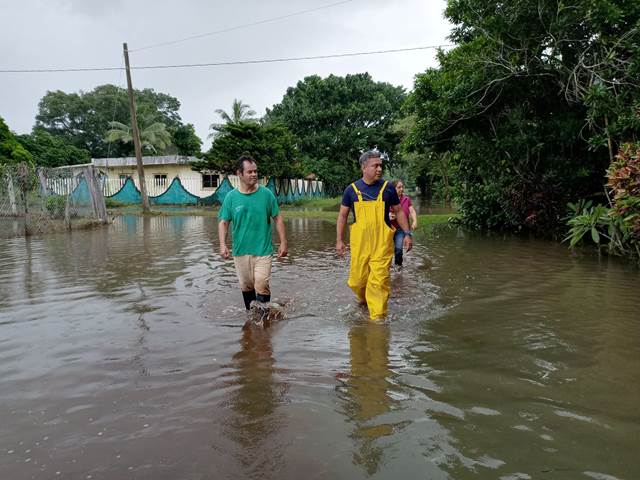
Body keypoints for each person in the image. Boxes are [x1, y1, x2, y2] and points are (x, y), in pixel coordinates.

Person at [336, 151, 413, 319]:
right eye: (375, 165)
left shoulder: (388, 188)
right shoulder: (351, 190)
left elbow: (399, 211)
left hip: (382, 245)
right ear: (364, 167)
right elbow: (342, 216)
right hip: (360, 246)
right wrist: (339, 241)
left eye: (380, 165)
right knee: (357, 281)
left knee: (378, 282)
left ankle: (377, 320)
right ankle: (364, 300)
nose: (379, 169)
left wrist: (407, 233)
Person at [218, 155, 288, 310]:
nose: (254, 175)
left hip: (263, 250)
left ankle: (262, 321)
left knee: (261, 284)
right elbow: (223, 222)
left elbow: (278, 219)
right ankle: (252, 321)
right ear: (239, 174)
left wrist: (283, 242)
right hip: (240, 251)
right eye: (249, 172)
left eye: (255, 171)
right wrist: (223, 245)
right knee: (246, 287)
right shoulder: (231, 197)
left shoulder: (266, 194)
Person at [389, 179, 418, 266]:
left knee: (398, 249)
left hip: (401, 229)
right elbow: (380, 211)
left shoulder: (406, 199)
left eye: (402, 187)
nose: (401, 189)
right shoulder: (388, 198)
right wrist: (388, 215)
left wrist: (415, 221)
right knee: (386, 250)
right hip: (389, 228)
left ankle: (398, 268)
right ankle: (387, 268)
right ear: (393, 189)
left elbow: (412, 211)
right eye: (399, 187)